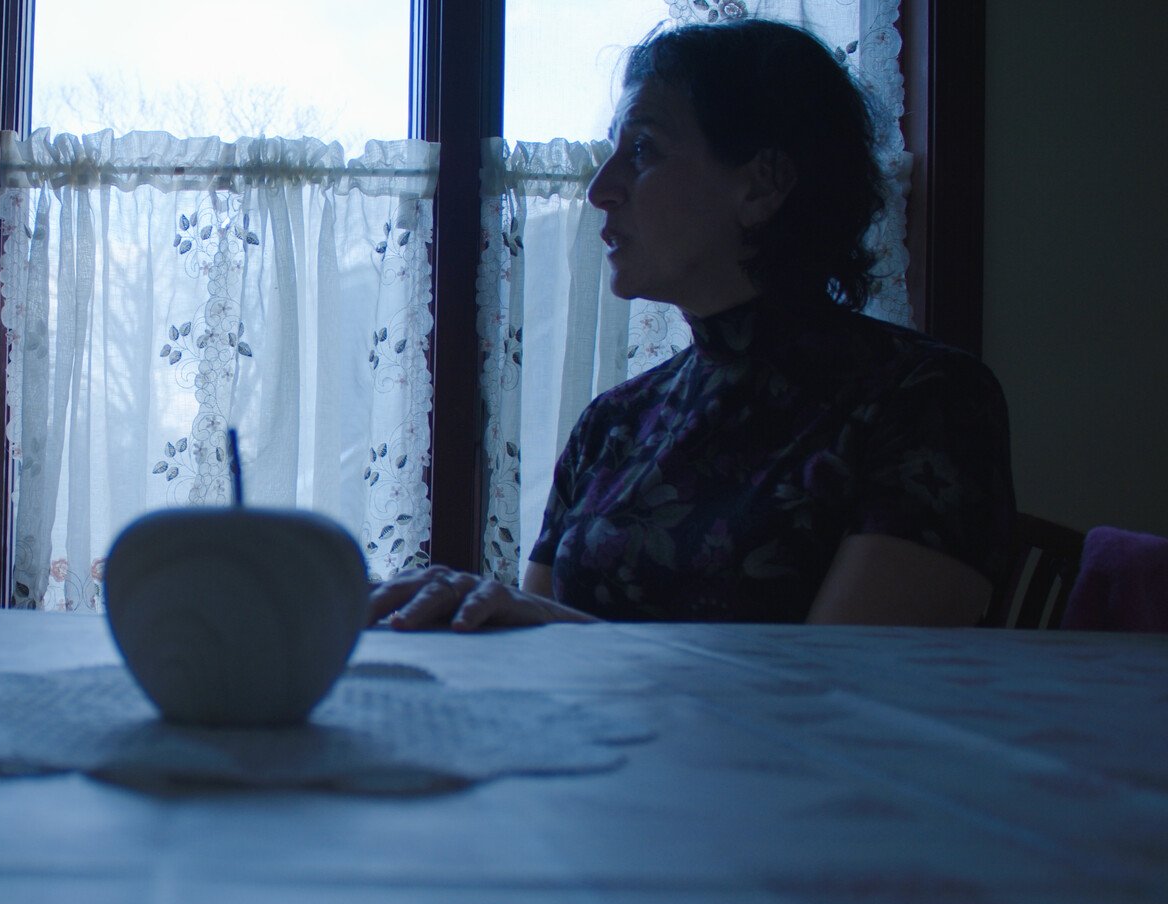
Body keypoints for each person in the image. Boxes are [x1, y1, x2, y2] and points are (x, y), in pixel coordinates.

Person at [370, 17, 1015, 631]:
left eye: (643, 149)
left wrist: (550, 625)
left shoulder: (929, 400)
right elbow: (537, 653)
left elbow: (854, 694)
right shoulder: (613, 425)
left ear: (763, 186)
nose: (600, 188)